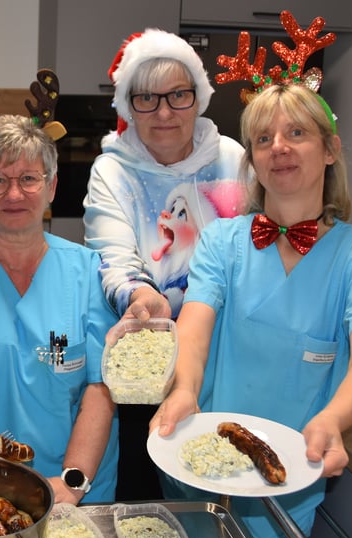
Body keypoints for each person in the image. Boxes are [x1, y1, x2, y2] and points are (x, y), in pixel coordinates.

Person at [151, 83, 352, 538]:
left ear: (330, 150)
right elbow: (195, 324)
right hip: (197, 472)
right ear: (253, 160)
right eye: (263, 139)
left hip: (289, 485)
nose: (278, 147)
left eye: (297, 133)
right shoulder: (222, 241)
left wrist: (333, 421)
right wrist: (184, 389)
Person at [0, 112, 120, 504]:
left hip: (78, 482)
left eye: (29, 179)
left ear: (52, 187)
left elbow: (100, 387)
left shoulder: (89, 271)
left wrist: (72, 482)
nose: (14, 195)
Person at [83, 29, 246, 501]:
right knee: (150, 489)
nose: (165, 112)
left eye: (178, 95)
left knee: (227, 481)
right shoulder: (112, 171)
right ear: (127, 107)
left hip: (227, 354)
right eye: (147, 99)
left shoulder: (233, 161)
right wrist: (140, 294)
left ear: (199, 96)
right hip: (147, 365)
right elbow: (111, 257)